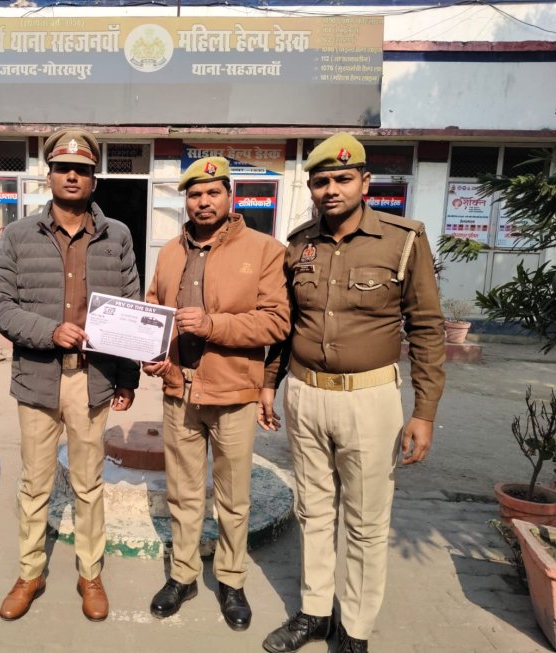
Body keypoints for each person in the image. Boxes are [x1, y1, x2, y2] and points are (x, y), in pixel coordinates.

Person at [260, 133, 445, 653]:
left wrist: (424, 410)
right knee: (313, 511)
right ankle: (316, 613)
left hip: (370, 399)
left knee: (365, 521)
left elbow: (427, 327)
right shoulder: (299, 244)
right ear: (311, 188)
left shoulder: (403, 239)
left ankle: (356, 631)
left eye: (343, 179)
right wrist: (270, 384)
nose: (331, 189)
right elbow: (287, 325)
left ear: (365, 182)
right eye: (321, 181)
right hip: (306, 395)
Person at [0, 127, 140, 622]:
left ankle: (89, 574)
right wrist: (50, 332)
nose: (72, 176)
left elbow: (131, 308)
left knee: (89, 484)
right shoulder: (18, 235)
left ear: (94, 179)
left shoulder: (117, 236)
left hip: (92, 380)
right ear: (48, 174)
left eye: (82, 170)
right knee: (35, 483)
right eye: (63, 168)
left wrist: (128, 378)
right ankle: (30, 572)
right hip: (38, 378)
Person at [144, 156, 291, 631]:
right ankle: (183, 575)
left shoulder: (264, 250)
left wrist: (213, 325)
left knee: (232, 497)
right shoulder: (170, 252)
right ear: (185, 200)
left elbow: (277, 321)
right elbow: (153, 308)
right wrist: (152, 352)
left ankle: (231, 579)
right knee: (183, 493)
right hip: (178, 391)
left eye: (212, 192)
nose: (203, 202)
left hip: (233, 393)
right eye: (194, 194)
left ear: (231, 196)